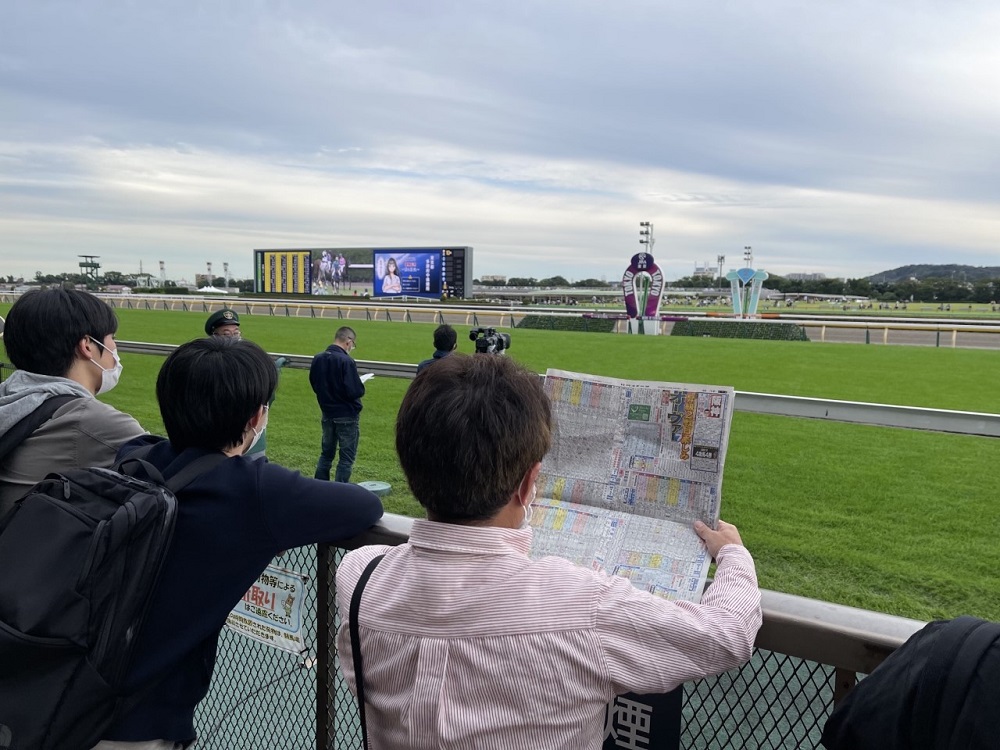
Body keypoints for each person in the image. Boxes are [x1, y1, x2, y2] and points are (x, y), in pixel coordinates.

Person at [335, 354, 762, 749]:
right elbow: (726, 634)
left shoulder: (358, 578)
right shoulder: (584, 605)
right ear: (528, 483)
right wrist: (734, 555)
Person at [94, 336, 383, 748]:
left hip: (66, 687)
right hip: (137, 721)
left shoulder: (135, 454)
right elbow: (365, 506)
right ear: (256, 417)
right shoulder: (255, 491)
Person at [0, 288, 145, 515]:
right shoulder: (91, 421)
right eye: (111, 339)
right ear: (87, 345)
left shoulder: (8, 396)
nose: (115, 349)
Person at [205, 309, 288, 461]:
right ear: (214, 337)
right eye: (226, 334)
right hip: (222, 446)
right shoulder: (208, 368)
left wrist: (273, 371)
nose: (233, 338)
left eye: (236, 333)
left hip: (252, 446)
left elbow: (267, 396)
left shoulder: (251, 360)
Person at [310, 326, 364, 483]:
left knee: (326, 454)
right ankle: (340, 491)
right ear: (349, 341)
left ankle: (320, 488)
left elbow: (315, 384)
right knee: (346, 458)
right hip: (346, 415)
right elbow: (355, 391)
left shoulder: (318, 358)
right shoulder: (346, 361)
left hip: (327, 413)